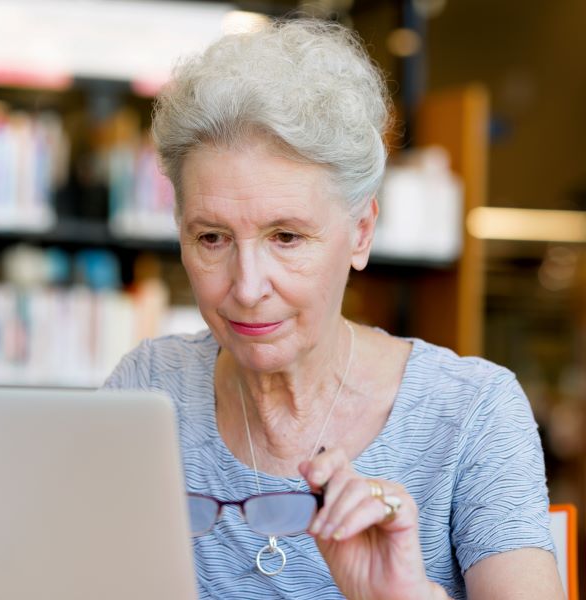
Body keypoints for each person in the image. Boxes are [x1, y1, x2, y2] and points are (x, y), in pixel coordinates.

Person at [104, 19, 562, 600]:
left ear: (361, 231)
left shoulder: (471, 412)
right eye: (212, 238)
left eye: (286, 237)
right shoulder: (147, 392)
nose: (246, 287)